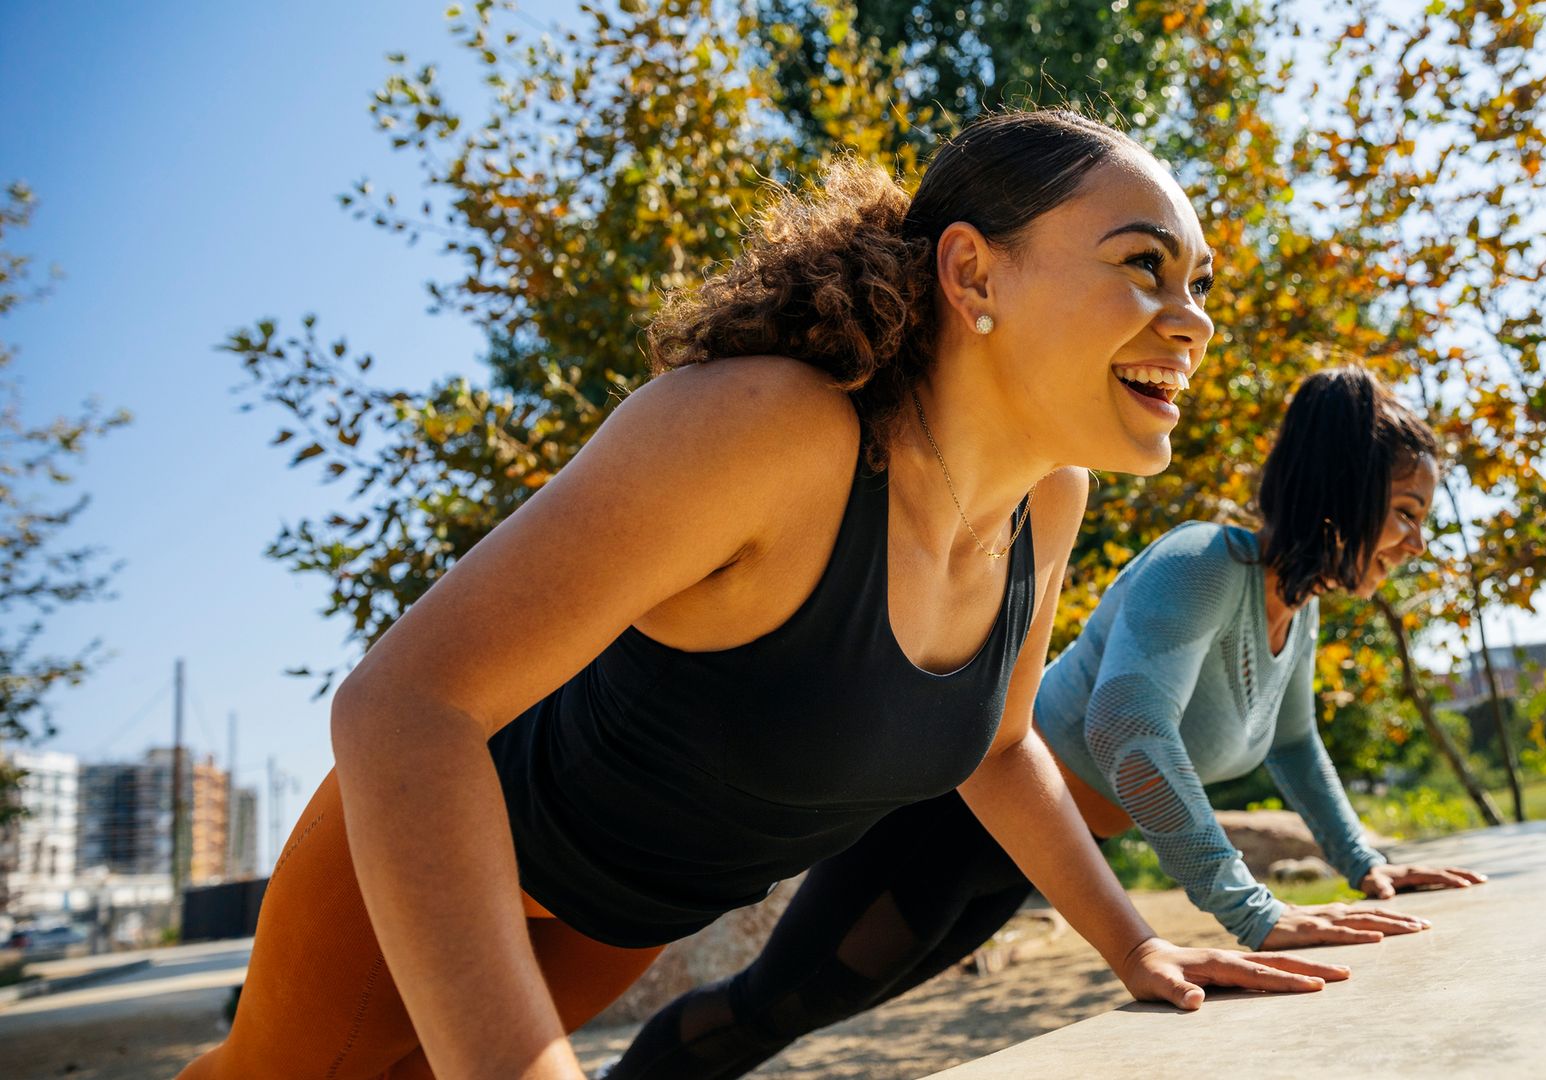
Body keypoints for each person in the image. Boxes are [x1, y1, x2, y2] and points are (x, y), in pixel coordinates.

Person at [179, 109, 1351, 1080]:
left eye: (1198, 281)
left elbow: (998, 751)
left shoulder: (1051, 504)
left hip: (623, 916)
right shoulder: (769, 428)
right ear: (971, 270)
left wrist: (1140, 949)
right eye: (1143, 265)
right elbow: (403, 707)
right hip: (454, 848)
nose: (1192, 319)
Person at [613, 366, 1488, 1079]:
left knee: (813, 1006)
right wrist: (1249, 910)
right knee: (781, 1001)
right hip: (956, 819)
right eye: (1406, 514)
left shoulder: (1296, 613)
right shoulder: (1203, 563)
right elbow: (1128, 730)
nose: (1416, 543)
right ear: (1341, 493)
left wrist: (1369, 866)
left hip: (1037, 856)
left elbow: (1296, 746)